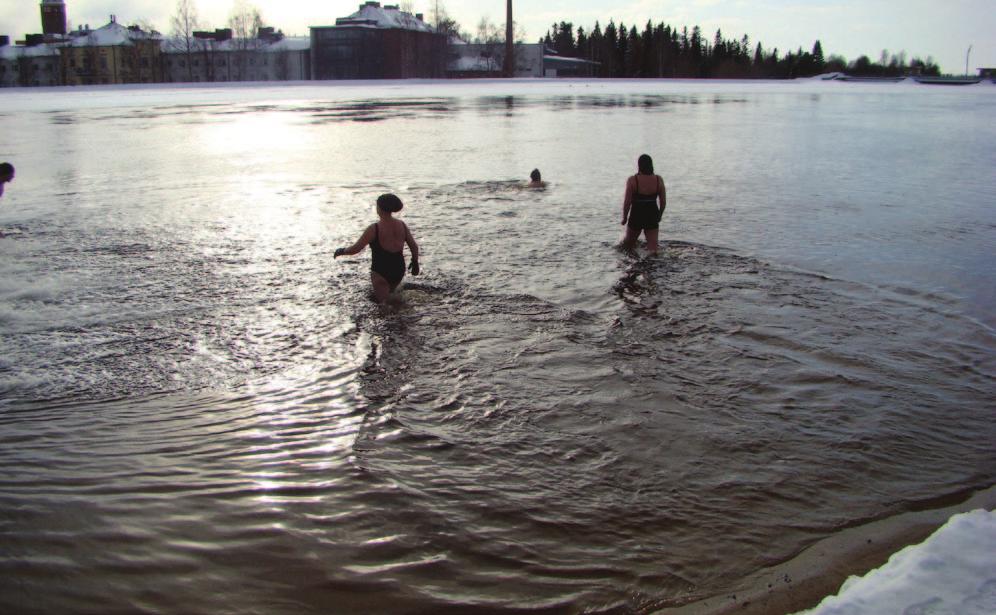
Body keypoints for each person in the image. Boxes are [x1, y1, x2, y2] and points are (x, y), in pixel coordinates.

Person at [334, 193, 420, 303]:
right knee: (393, 299)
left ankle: (393, 317)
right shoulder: (401, 225)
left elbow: (356, 249)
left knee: (383, 305)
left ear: (379, 208)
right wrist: (415, 263)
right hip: (398, 269)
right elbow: (414, 246)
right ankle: (402, 318)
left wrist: (341, 251)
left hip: (381, 270)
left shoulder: (374, 228)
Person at [620, 154, 666, 254]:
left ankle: (633, 264)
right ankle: (653, 266)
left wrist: (624, 218)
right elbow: (663, 202)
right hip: (652, 214)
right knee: (653, 250)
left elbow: (627, 202)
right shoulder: (659, 180)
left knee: (627, 246)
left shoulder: (633, 180)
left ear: (639, 166)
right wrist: (659, 215)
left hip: (637, 214)